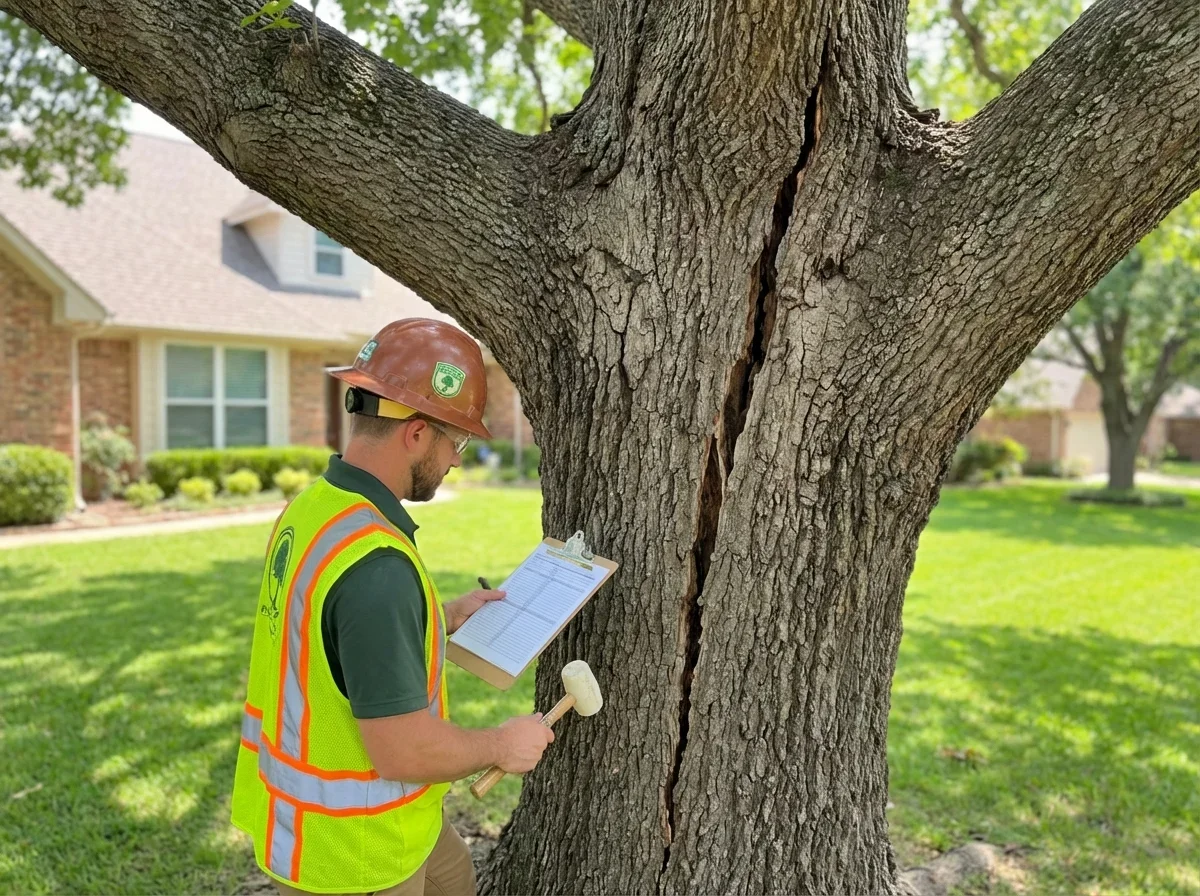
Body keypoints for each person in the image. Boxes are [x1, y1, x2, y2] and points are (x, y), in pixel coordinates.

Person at [231, 318, 554, 896]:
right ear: (415, 433)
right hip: (354, 855)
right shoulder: (377, 569)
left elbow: (334, 636)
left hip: (384, 825)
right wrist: (502, 745)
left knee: (456, 879)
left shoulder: (315, 509)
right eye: (455, 441)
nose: (456, 459)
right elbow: (402, 748)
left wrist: (440, 616)